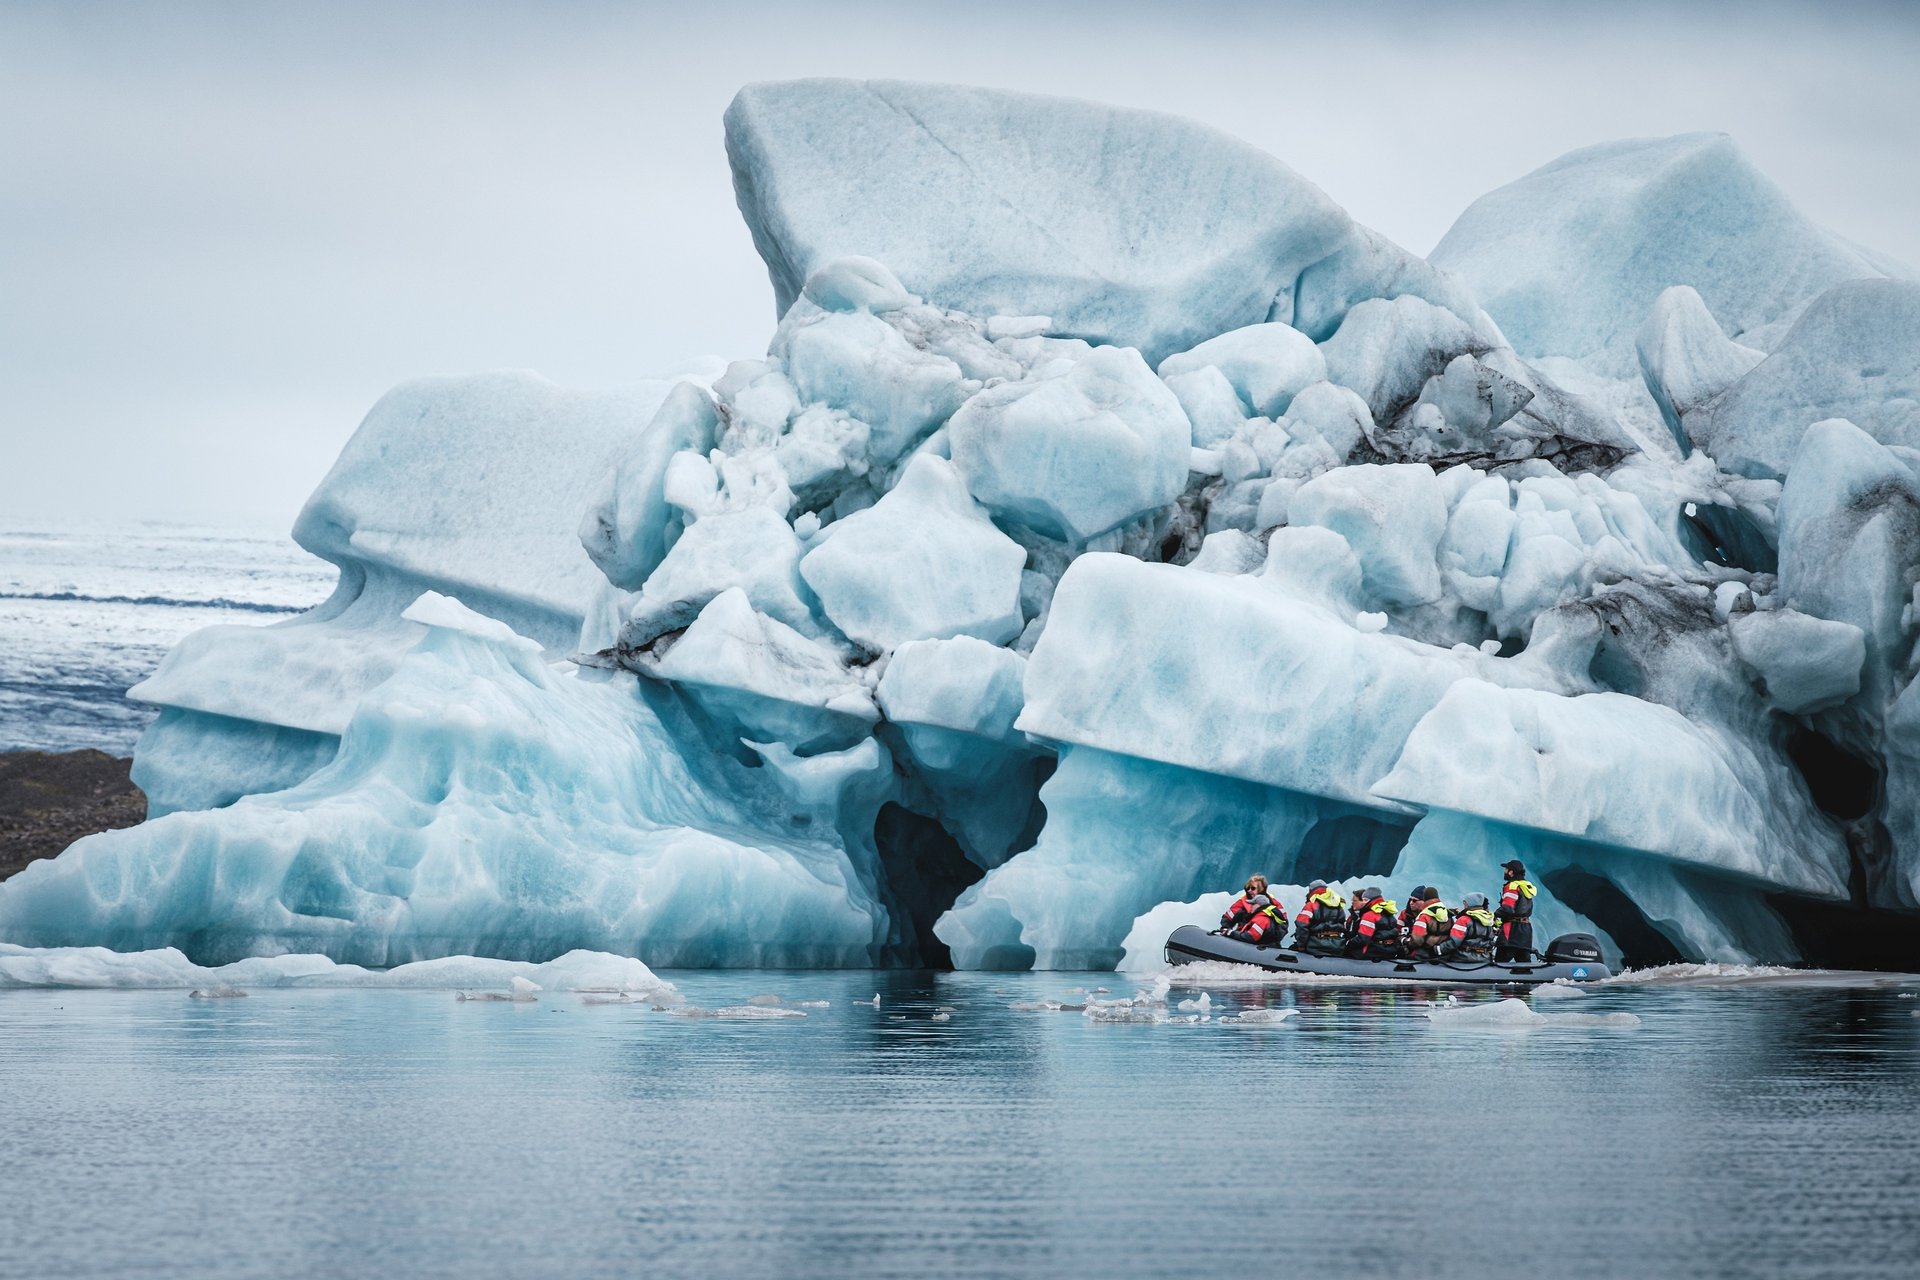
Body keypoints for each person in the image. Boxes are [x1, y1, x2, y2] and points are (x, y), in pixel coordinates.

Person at [1494, 859, 1537, 963]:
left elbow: (1508, 909)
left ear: (1511, 872)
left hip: (1512, 930)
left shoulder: (1512, 887)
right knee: (1523, 962)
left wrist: (1494, 915)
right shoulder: (1526, 886)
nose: (1504, 872)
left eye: (1506, 869)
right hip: (1525, 929)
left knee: (1501, 961)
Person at [1292, 879, 1347, 953]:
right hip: (1337, 945)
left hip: (1315, 946)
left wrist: (1301, 946)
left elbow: (1302, 926)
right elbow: (1344, 925)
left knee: (1292, 949)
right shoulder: (1339, 906)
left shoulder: (1311, 905)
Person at [1348, 889, 1404, 960]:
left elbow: (1363, 939)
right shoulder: (1389, 914)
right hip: (1390, 952)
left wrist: (1348, 943)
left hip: (1373, 952)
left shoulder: (1369, 915)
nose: (1363, 903)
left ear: (1371, 900)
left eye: (1365, 900)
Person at [1447, 893, 1499, 962]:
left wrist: (1437, 949)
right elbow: (1491, 941)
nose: (1464, 904)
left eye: (1465, 901)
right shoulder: (1489, 920)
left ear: (1469, 903)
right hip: (1485, 958)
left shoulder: (1463, 920)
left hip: (1463, 958)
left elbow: (1453, 943)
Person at [1406, 891, 1454, 959]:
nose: (1411, 902)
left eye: (1414, 900)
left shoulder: (1423, 916)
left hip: (1424, 955)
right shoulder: (1449, 915)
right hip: (1444, 955)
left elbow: (1417, 941)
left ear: (1424, 899)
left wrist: (1406, 943)